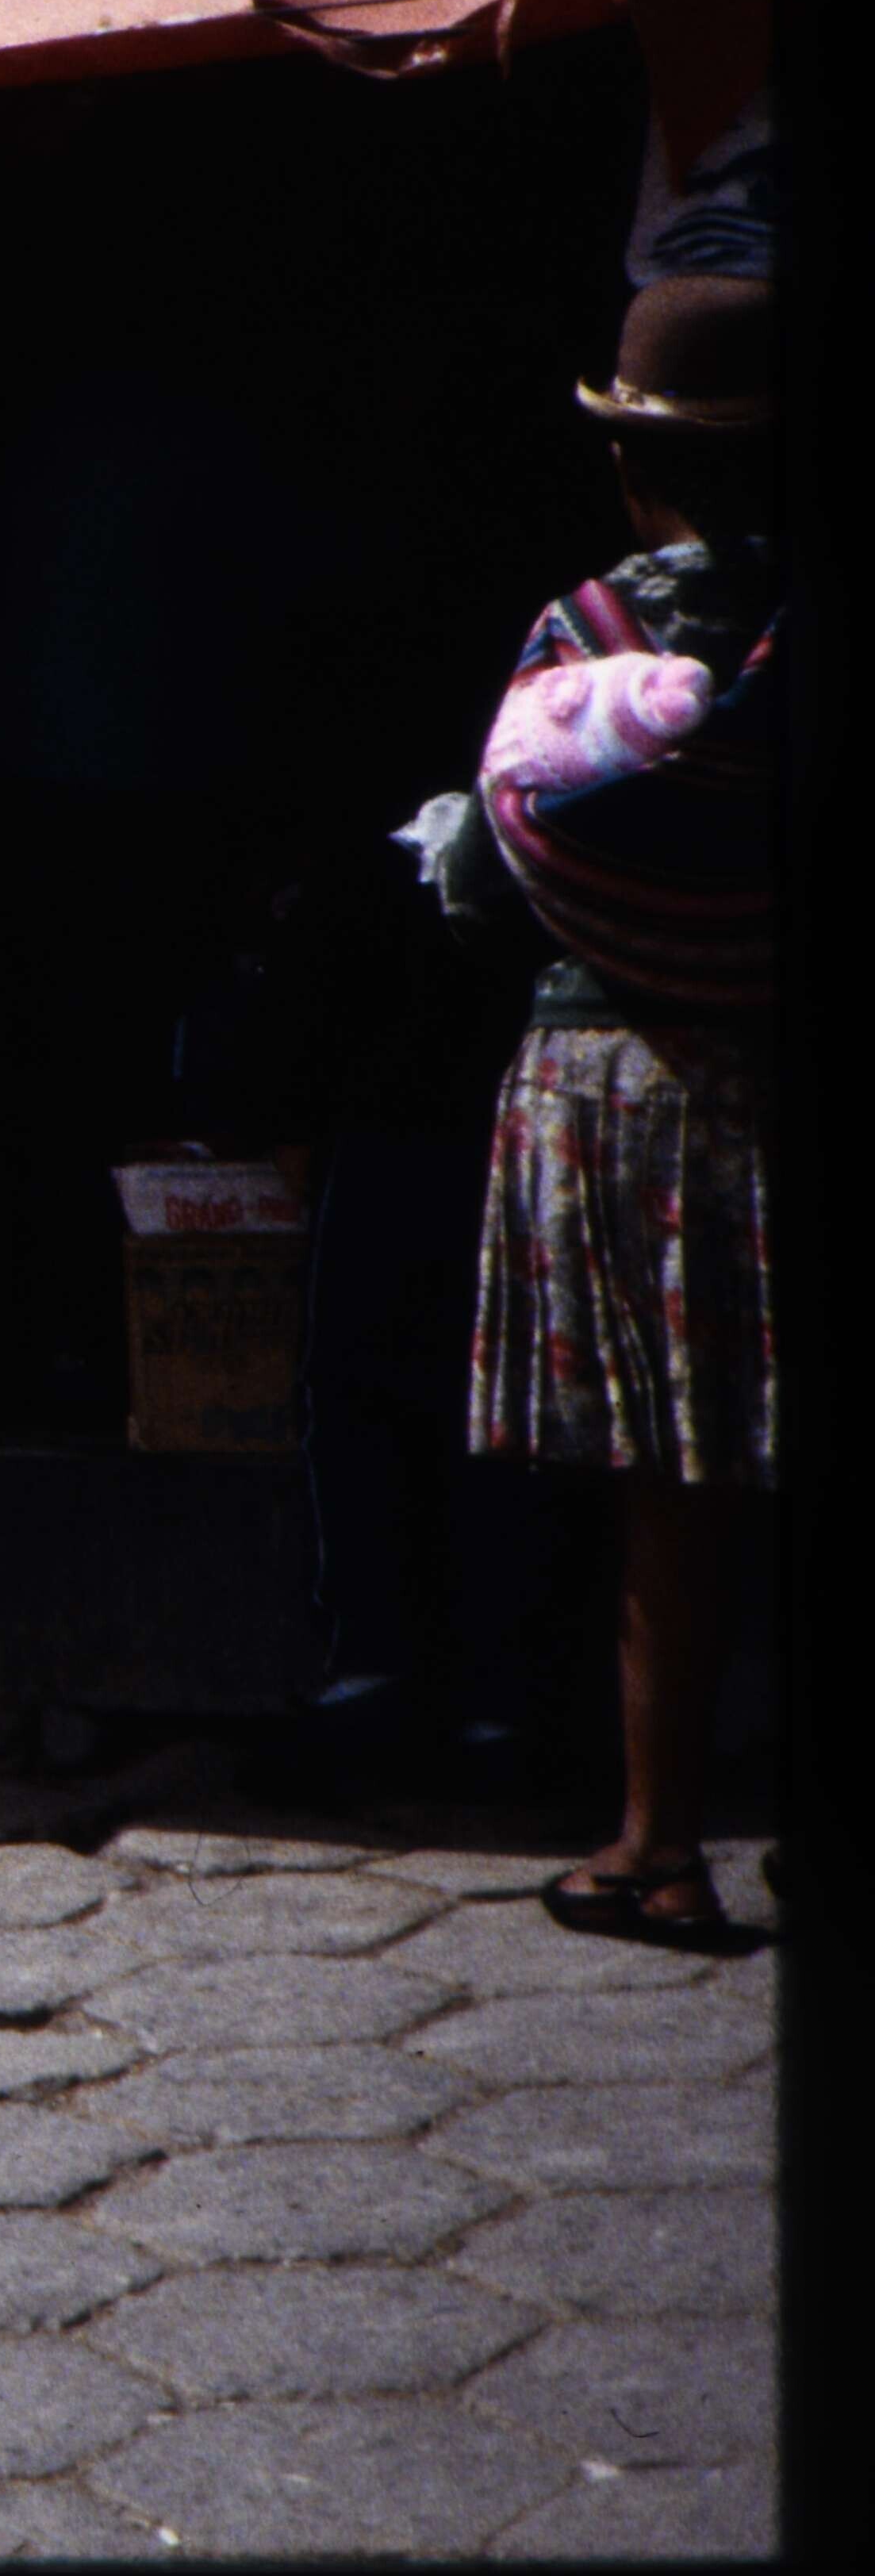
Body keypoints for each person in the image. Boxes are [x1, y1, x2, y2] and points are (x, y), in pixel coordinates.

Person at [459, 272, 785, 1952]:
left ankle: (659, 1845)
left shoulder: (585, 633)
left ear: (631, 465)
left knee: (670, 1476)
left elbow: (487, 854)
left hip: (623, 1081)